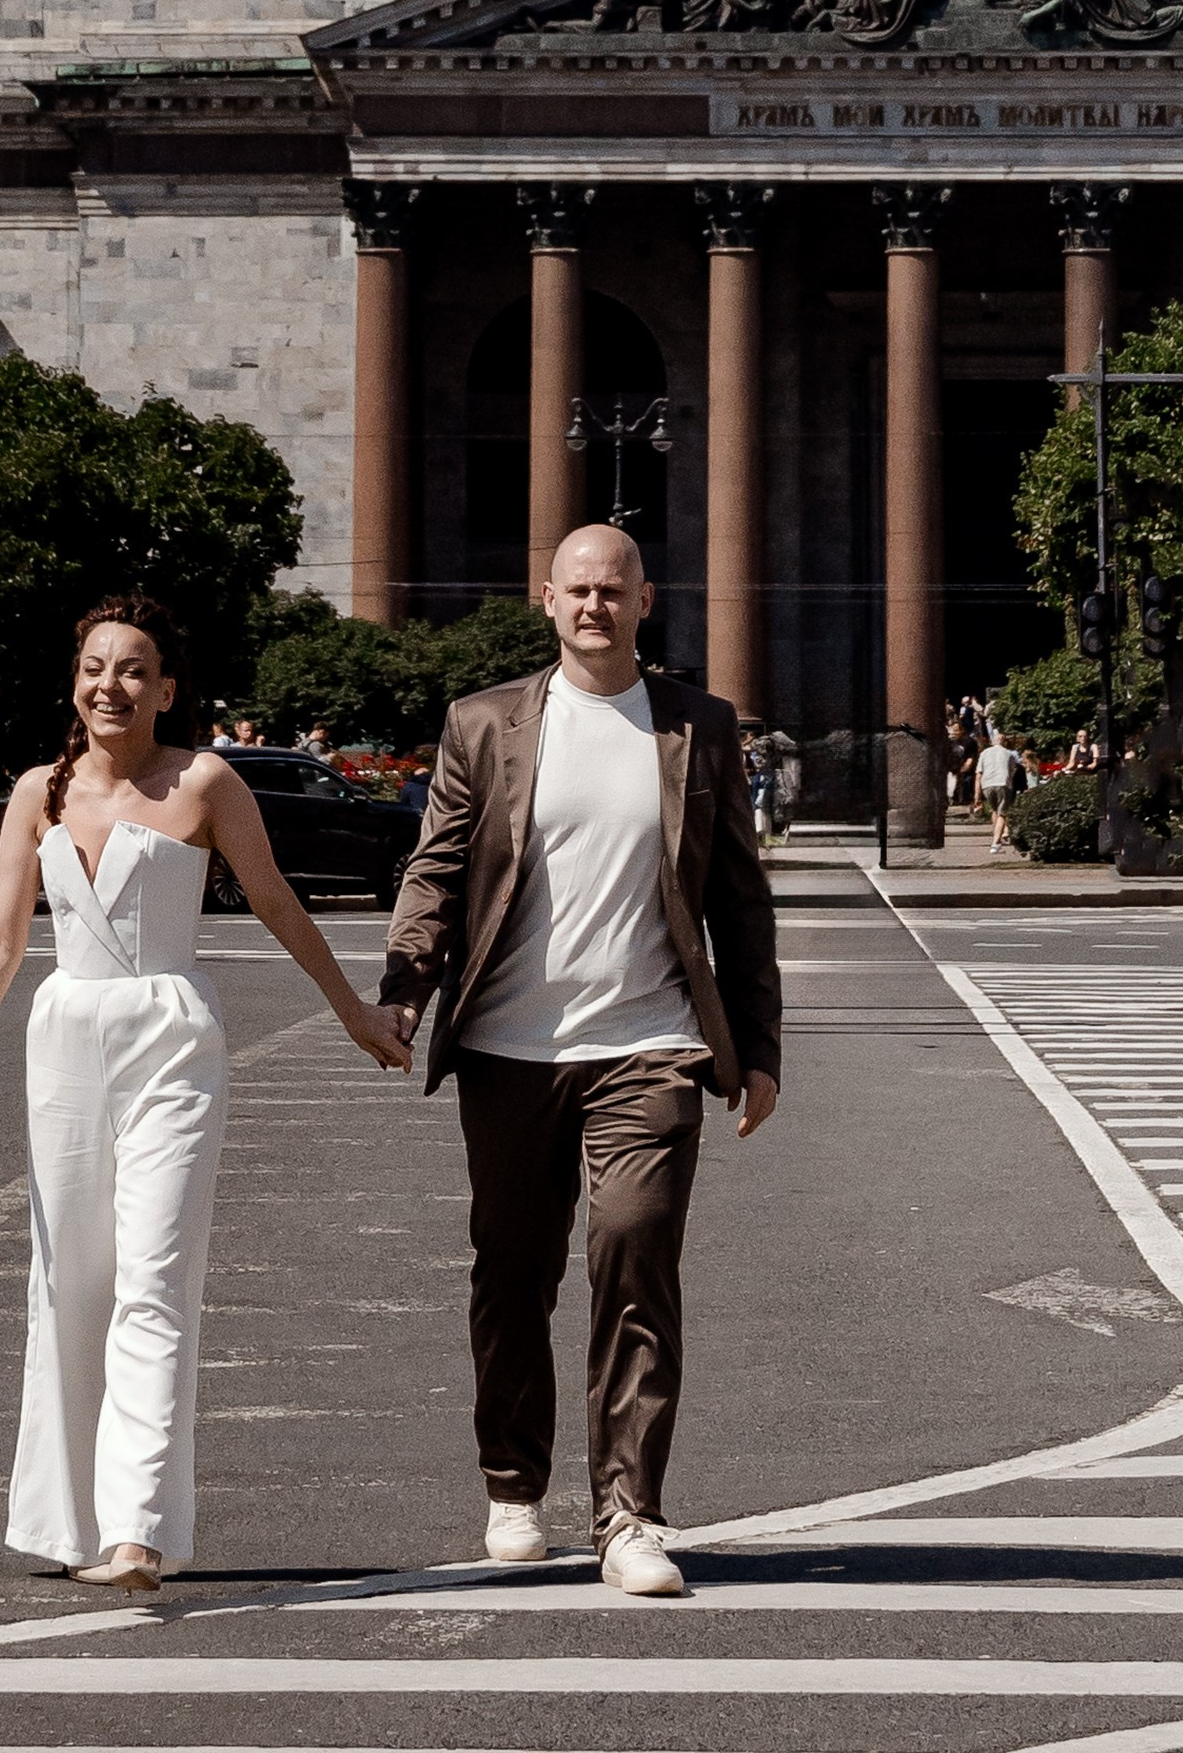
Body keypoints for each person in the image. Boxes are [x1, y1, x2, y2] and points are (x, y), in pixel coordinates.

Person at [0, 593, 405, 1594]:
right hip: (65, 1038)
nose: (113, 684)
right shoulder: (35, 793)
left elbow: (276, 900)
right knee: (69, 1286)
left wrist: (353, 1011)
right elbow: (5, 939)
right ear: (75, 681)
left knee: (153, 1276)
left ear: (167, 689)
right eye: (98, 666)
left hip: (172, 1040)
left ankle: (139, 1530)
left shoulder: (206, 782)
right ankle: (66, 1523)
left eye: (135, 668)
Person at [379, 523, 781, 1601]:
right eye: (578, 592)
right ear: (546, 600)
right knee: (511, 1274)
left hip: (647, 1044)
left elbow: (739, 901)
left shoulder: (698, 724)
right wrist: (405, 990)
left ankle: (631, 1515)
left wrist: (759, 1049)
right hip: (510, 1050)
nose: (595, 606)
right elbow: (438, 865)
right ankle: (513, 1487)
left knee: (633, 1253)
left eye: (614, 590)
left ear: (645, 602)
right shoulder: (487, 724)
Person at [976, 722, 1025, 855]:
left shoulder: (984, 753)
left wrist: (977, 796)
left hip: (987, 784)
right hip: (1003, 783)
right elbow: (1013, 770)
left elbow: (978, 774)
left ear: (993, 741)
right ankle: (996, 842)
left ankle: (996, 834)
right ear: (1003, 742)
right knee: (1003, 813)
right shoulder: (1008, 754)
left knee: (994, 810)